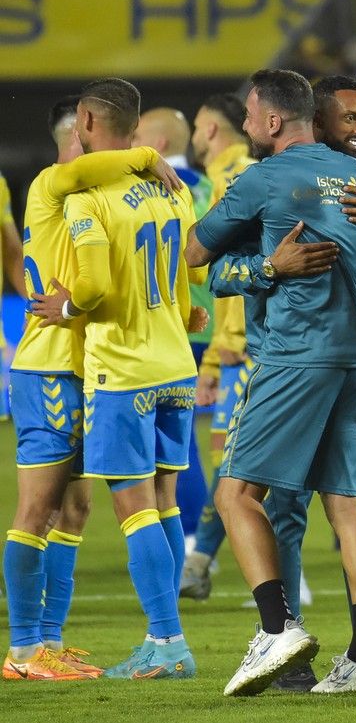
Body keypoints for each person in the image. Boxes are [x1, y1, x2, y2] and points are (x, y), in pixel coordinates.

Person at [185, 69, 356, 696]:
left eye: (250, 115)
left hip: (292, 357)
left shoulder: (263, 178)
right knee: (350, 505)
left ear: (273, 121)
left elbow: (198, 256)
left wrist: (263, 267)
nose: (248, 124)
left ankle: (278, 629)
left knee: (236, 497)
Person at [4, 97, 184, 681]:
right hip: (49, 366)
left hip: (92, 367)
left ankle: (51, 640)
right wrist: (146, 155)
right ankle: (25, 651)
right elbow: (89, 171)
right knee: (36, 508)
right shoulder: (53, 187)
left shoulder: (101, 193)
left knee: (75, 509)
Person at [180, 93, 258, 602]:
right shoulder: (237, 176)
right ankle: (201, 563)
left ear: (207, 129)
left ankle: (271, 578)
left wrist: (230, 344)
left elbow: (242, 272)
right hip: (234, 350)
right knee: (235, 464)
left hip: (252, 350)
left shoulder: (237, 180)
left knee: (246, 465)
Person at [135, 107, 215, 544]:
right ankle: (195, 539)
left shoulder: (148, 189)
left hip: (171, 326)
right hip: (212, 325)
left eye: (138, 137)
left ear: (158, 145)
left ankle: (185, 537)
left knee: (169, 441)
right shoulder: (210, 189)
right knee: (198, 439)